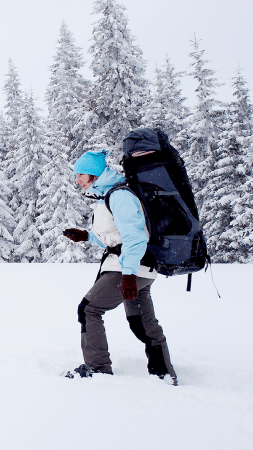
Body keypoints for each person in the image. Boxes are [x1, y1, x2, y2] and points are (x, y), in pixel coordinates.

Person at [62, 150, 177, 385]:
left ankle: (97, 368)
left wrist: (128, 275)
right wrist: (87, 236)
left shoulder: (119, 196)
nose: (77, 180)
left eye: (80, 174)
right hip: (139, 268)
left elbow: (134, 238)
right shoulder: (111, 196)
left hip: (129, 268)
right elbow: (117, 237)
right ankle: (163, 373)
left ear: (94, 174)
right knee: (141, 321)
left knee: (88, 309)